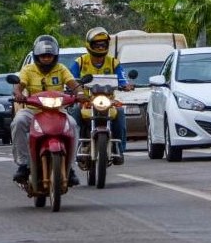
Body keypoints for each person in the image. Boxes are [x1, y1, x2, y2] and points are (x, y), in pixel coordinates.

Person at [11, 35, 81, 185]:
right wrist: (18, 93)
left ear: (55, 56)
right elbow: (19, 85)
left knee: (73, 125)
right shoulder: (28, 69)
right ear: (37, 56)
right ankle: (23, 165)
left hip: (58, 112)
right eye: (43, 56)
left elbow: (73, 84)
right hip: (33, 111)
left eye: (49, 56)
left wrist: (80, 94)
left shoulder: (61, 69)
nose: (46, 59)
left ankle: (71, 168)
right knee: (18, 121)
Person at [70, 27, 133, 155]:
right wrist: (75, 90)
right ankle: (74, 147)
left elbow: (122, 78)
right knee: (75, 112)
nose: (100, 48)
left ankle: (119, 149)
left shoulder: (114, 63)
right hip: (86, 101)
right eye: (96, 45)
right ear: (89, 45)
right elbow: (71, 80)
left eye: (103, 44)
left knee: (120, 112)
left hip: (108, 101)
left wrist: (126, 85)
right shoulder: (80, 62)